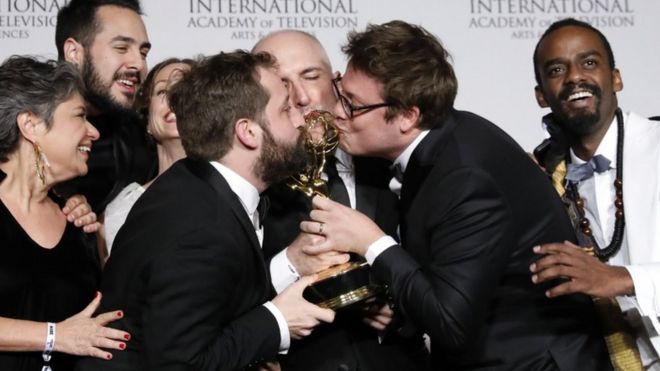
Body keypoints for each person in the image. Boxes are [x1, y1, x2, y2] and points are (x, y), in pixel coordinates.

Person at [300, 20, 612, 370]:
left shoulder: (465, 175)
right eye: (341, 92)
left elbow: (451, 323)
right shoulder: (443, 141)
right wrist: (399, 303)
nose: (338, 112)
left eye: (353, 105)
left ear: (407, 115)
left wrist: (372, 243)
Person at [75, 50, 335, 371]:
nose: (300, 119)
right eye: (286, 109)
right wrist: (278, 322)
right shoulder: (200, 225)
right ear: (248, 132)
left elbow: (217, 301)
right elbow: (182, 362)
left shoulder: (196, 182)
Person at [253, 30, 429, 371]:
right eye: (282, 82)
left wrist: (405, 310)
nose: (300, 97)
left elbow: (450, 269)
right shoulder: (250, 180)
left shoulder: (392, 159)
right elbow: (219, 296)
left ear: (337, 83)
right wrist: (288, 264)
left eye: (310, 76)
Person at [530, 18, 660, 369]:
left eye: (589, 63)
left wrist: (623, 279)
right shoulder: (542, 180)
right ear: (542, 95)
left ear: (615, 78)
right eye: (557, 69)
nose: (574, 77)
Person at [0, 56, 131, 370]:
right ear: (31, 124)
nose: (93, 133)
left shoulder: (78, 223)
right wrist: (54, 336)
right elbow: (67, 335)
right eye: (79, 116)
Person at [54, 0, 156, 213]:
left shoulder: (147, 140)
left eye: (143, 53)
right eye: (121, 48)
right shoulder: (18, 135)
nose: (139, 64)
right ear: (74, 52)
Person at [100, 58, 194, 260]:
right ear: (148, 119)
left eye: (187, 89)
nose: (174, 99)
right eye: (162, 91)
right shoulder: (125, 207)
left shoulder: (232, 188)